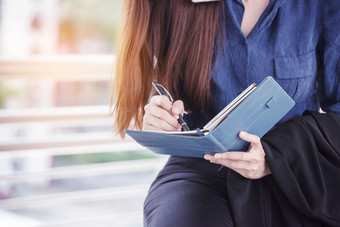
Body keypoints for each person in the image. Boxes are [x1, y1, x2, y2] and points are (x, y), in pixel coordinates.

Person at [112, 0, 340, 226]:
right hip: (201, 173)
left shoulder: (319, 6)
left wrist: (274, 156)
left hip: (291, 175)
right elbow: (162, 86)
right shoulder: (175, 6)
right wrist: (160, 115)